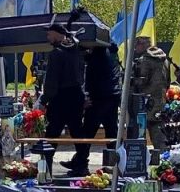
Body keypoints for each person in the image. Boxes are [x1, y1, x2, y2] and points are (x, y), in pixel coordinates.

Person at [62, 44, 121, 176]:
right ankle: (117, 164)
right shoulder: (109, 53)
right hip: (111, 96)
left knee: (88, 132)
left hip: (99, 98)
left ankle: (81, 164)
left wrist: (86, 97)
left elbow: (93, 79)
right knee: (111, 132)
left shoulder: (97, 57)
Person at [39, 24, 85, 152]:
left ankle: (47, 161)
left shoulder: (56, 53)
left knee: (52, 132)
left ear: (56, 34)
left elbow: (51, 80)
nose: (48, 37)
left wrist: (44, 100)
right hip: (76, 94)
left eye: (49, 34)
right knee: (77, 131)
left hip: (60, 97)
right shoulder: (76, 50)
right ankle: (82, 160)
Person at [132, 36, 170, 150]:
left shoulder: (144, 60)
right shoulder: (164, 59)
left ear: (143, 45)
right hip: (160, 98)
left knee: (142, 129)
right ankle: (163, 152)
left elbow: (141, 81)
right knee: (158, 126)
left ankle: (143, 154)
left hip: (146, 100)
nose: (135, 48)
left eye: (136, 45)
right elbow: (168, 80)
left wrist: (130, 79)